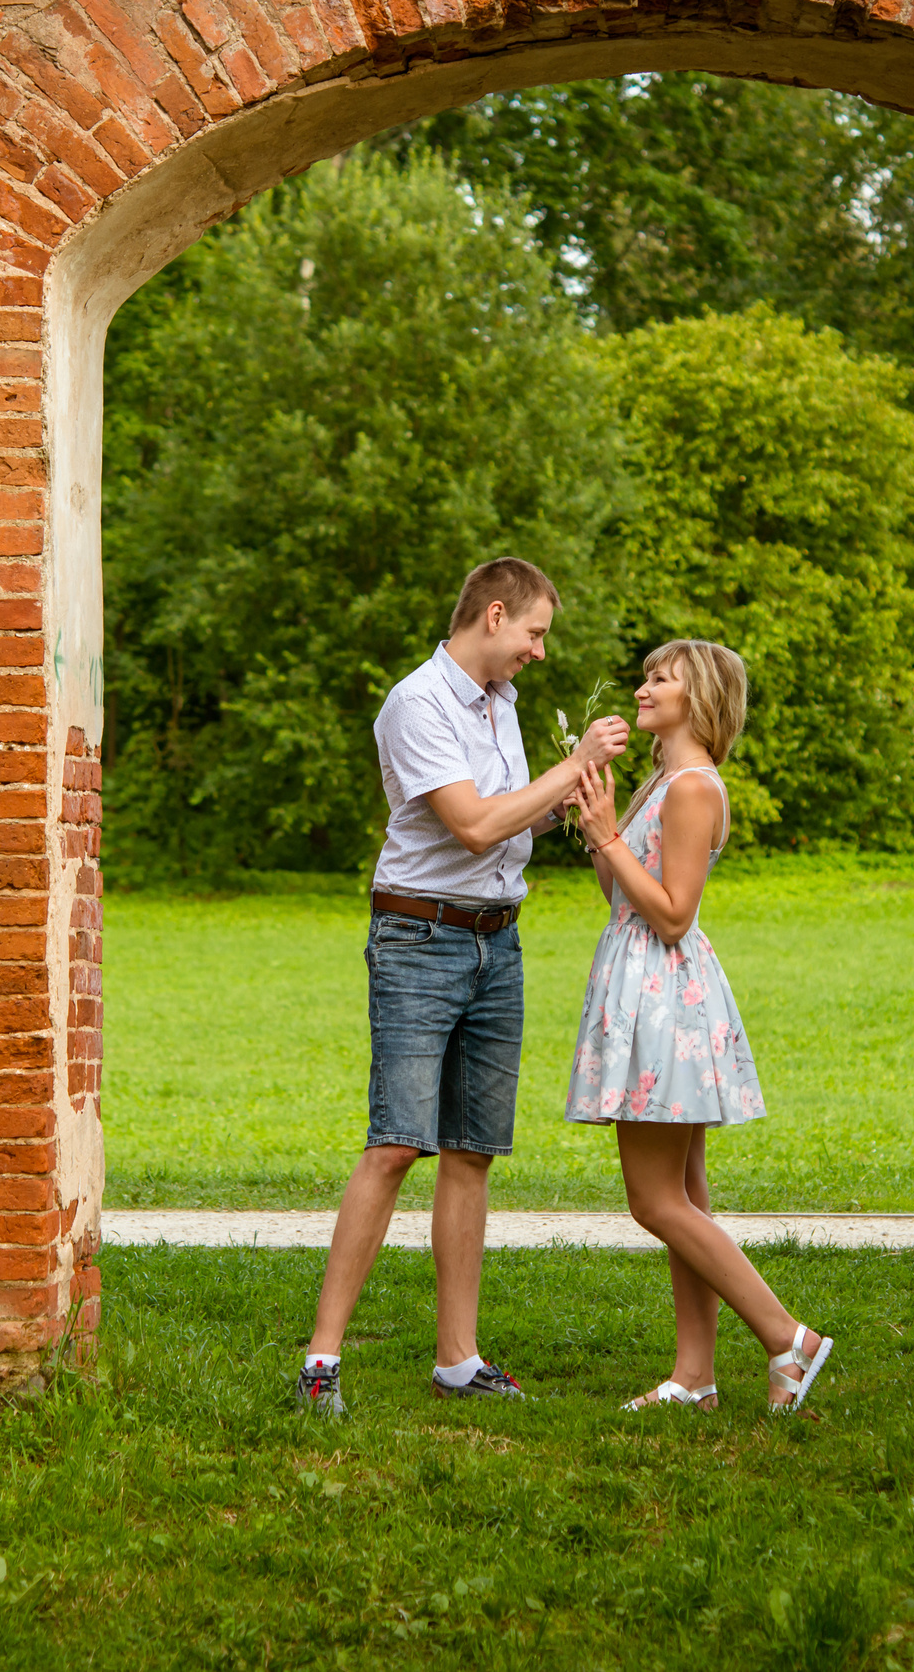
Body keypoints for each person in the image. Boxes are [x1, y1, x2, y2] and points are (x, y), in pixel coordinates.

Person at [297, 557, 630, 1414]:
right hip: (419, 938)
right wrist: (575, 763)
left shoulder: (502, 705)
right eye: (534, 632)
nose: (539, 652)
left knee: (473, 1152)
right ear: (492, 614)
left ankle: (458, 1361)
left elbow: (511, 812)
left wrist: (579, 801)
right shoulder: (418, 702)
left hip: (496, 942)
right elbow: (476, 824)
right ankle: (322, 1363)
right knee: (398, 1141)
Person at [564, 639, 833, 1414]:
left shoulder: (691, 788)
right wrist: (599, 825)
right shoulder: (664, 781)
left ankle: (790, 1340)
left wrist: (613, 835)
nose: (642, 688)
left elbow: (675, 915)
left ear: (701, 697)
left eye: (660, 679)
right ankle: (694, 1377)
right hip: (647, 987)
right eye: (645, 676)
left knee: (655, 1202)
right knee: (683, 1198)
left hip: (663, 996)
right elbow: (623, 895)